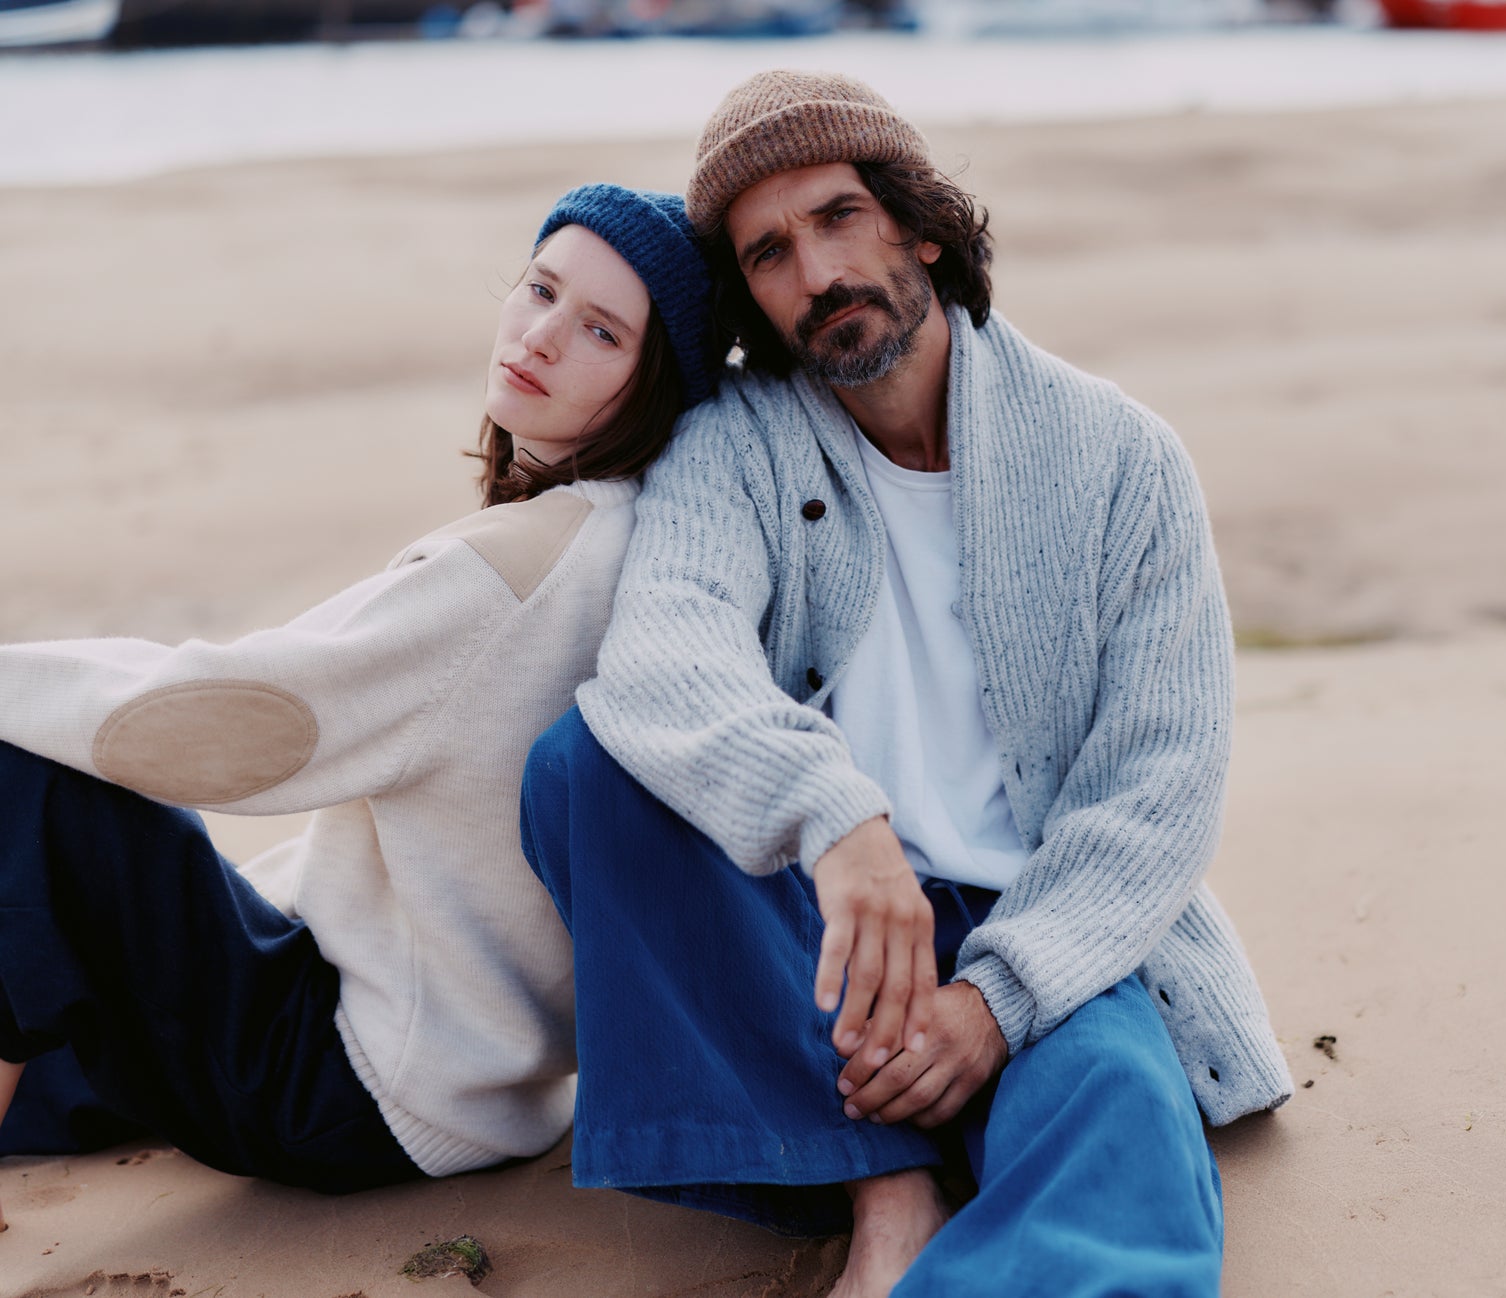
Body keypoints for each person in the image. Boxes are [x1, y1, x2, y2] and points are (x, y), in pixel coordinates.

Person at [520, 72, 1293, 1296]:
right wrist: (835, 816)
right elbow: (667, 647)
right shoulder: (734, 444)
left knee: (1120, 1141)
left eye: (839, 216)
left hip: (1044, 926)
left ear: (920, 225)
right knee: (583, 765)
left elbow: (1159, 785)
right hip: (816, 925)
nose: (816, 271)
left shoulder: (1121, 458)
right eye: (769, 253)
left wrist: (993, 1000)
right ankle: (885, 1183)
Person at [0, 185, 717, 1232]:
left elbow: (231, 717)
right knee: (68, 1035)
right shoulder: (641, 539)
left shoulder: (504, 576)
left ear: (654, 385)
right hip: (483, 1085)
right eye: (540, 289)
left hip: (347, 1089)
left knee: (26, 785)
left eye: (602, 331)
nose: (541, 336)